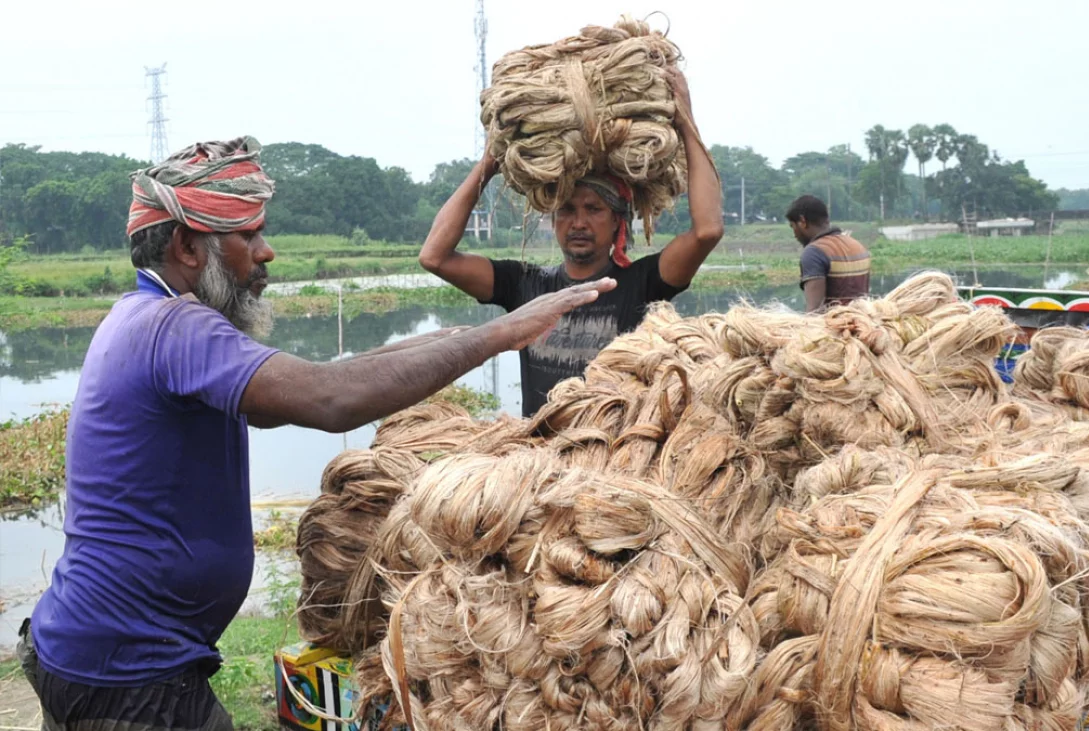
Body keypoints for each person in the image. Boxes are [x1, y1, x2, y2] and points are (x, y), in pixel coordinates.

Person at [16, 137, 613, 731]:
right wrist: (499, 335)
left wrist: (446, 338)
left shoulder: (147, 318)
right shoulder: (176, 327)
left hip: (98, 653)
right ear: (187, 245)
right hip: (130, 674)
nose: (266, 251)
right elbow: (330, 399)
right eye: (248, 235)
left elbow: (292, 396)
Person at [419, 68, 723, 416]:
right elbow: (435, 257)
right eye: (566, 210)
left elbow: (707, 231)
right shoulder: (524, 285)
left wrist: (685, 123)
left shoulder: (641, 283)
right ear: (552, 220)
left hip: (612, 458)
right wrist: (491, 160)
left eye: (594, 209)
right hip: (538, 456)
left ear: (617, 224)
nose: (578, 222)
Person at [786, 194, 871, 311]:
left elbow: (815, 311)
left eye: (793, 226)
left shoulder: (814, 252)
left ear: (802, 221)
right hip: (864, 324)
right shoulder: (857, 245)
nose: (794, 234)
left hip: (835, 327)